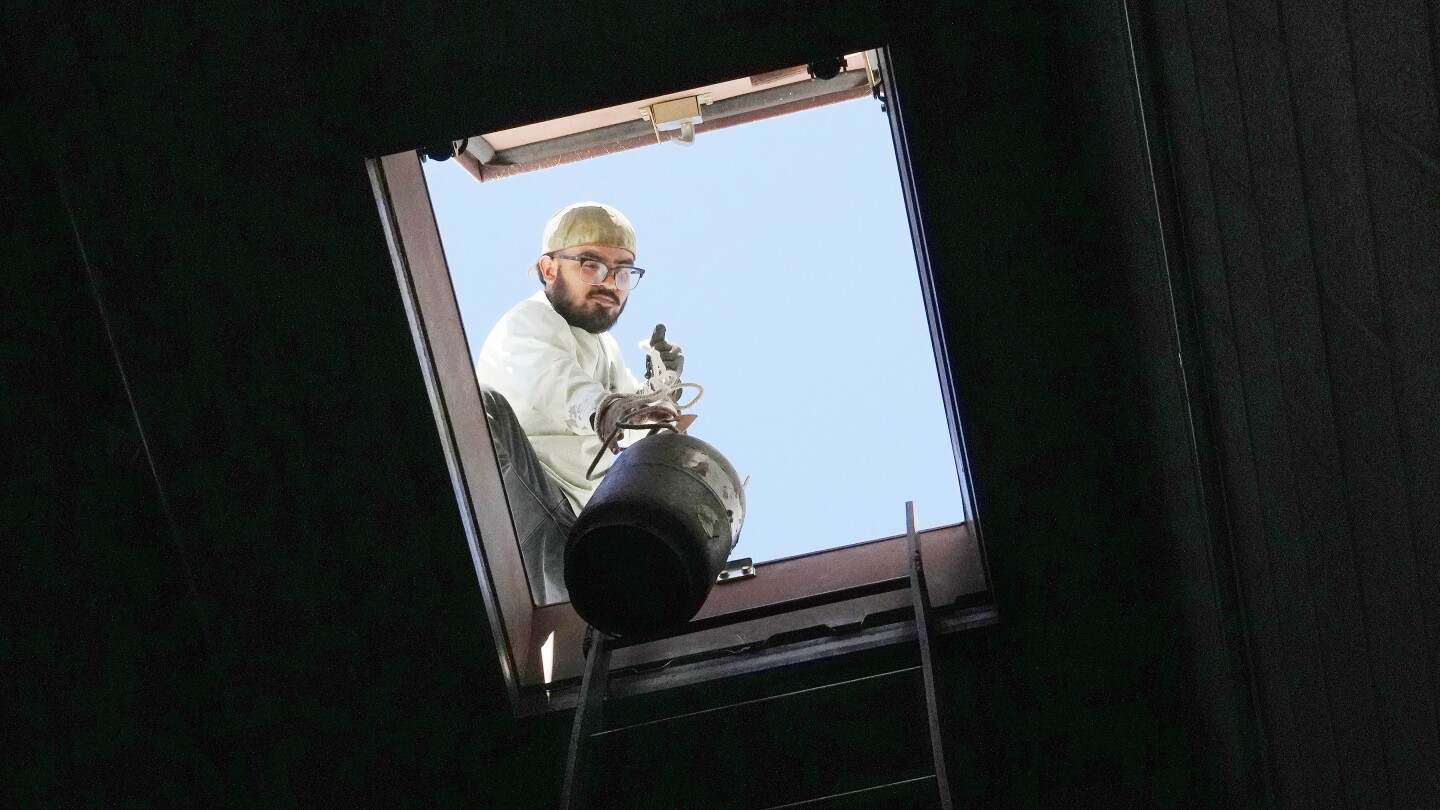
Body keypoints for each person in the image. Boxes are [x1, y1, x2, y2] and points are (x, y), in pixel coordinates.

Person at [475, 202, 684, 604]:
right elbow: (556, 382)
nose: (610, 282)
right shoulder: (530, 320)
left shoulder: (606, 350)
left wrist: (661, 390)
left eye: (623, 271)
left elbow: (633, 433)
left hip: (590, 531)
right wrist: (607, 410)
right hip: (529, 510)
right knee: (481, 407)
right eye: (591, 265)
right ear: (549, 269)